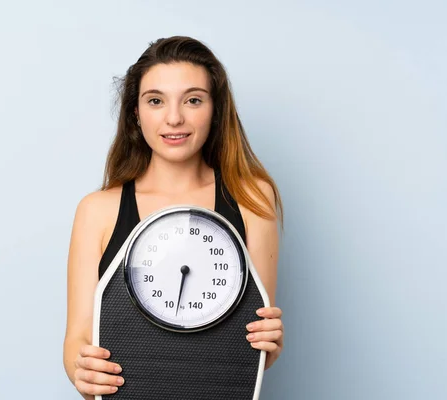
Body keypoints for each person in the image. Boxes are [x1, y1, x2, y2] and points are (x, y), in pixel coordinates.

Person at [63, 36, 284, 399]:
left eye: (193, 100)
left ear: (215, 109)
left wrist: (270, 342)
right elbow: (78, 339)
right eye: (155, 101)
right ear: (136, 113)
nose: (174, 118)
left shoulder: (252, 199)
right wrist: (83, 371)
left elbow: (254, 341)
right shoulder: (97, 210)